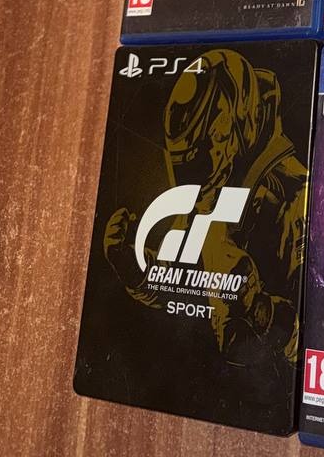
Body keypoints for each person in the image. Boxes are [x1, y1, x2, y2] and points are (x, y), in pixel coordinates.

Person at [103, 50, 309, 376]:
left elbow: (322, 333)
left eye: (202, 158)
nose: (198, 173)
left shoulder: (297, 196)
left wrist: (261, 311)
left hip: (267, 384)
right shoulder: (211, 198)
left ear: (233, 126)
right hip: (214, 379)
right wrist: (135, 268)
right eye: (189, 162)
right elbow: (177, 278)